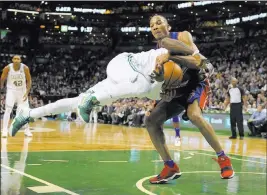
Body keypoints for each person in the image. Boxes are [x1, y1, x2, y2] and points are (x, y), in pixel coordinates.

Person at [10, 46, 197, 135]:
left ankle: (27, 115)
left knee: (76, 101)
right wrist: (162, 61)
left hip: (119, 82)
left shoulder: (160, 92)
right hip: (123, 63)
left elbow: (162, 94)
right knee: (142, 85)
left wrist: (164, 93)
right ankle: (90, 102)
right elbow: (167, 52)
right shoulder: (165, 56)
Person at [145, 15, 234, 184]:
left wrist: (171, 57)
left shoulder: (182, 36)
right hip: (177, 90)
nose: (155, 27)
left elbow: (199, 62)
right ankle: (170, 166)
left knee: (194, 115)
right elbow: (162, 80)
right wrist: (158, 75)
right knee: (150, 120)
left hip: (196, 82)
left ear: (168, 26)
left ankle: (223, 158)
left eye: (159, 22)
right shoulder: (157, 52)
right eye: (151, 25)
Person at [0, 56, 32, 138]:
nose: (16, 60)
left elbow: (29, 80)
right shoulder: (7, 68)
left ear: (20, 60)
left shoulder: (25, 68)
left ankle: (27, 130)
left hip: (22, 91)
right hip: (11, 90)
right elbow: (2, 78)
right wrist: (1, 87)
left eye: (18, 59)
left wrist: (27, 92)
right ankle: (4, 130)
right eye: (15, 59)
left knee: (25, 111)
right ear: (12, 60)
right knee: (8, 109)